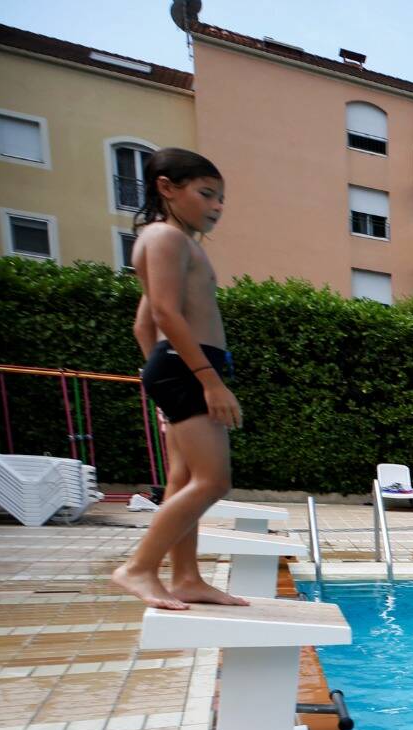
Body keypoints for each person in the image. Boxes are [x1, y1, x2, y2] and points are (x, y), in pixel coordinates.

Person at [111, 149, 246, 610]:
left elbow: (142, 324)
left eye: (221, 198)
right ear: (167, 188)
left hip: (177, 366)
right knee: (213, 480)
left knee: (183, 477)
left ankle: (185, 576)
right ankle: (139, 568)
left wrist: (163, 380)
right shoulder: (166, 238)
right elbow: (166, 313)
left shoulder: (170, 241)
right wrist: (207, 381)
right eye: (207, 194)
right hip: (190, 366)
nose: (217, 206)